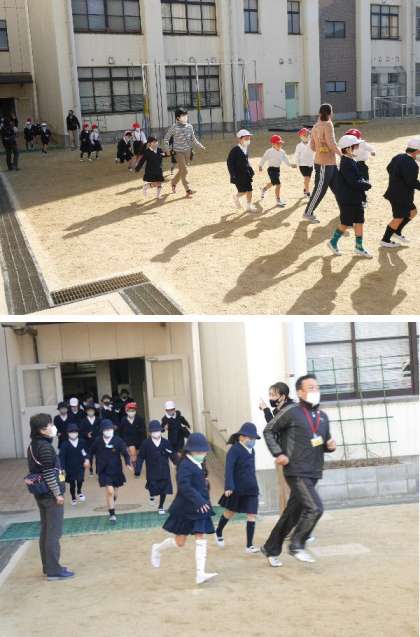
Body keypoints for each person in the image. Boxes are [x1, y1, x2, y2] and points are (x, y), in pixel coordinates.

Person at [260, 374, 336, 567]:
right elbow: (269, 430)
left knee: (292, 514)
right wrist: (278, 452)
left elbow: (322, 442)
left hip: (314, 471)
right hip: (296, 470)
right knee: (315, 508)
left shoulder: (323, 417)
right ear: (300, 392)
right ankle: (297, 545)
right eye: (310, 388)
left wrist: (330, 446)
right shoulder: (291, 412)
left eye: (317, 387)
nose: (315, 391)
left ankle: (270, 548)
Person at [150, 432, 217, 585]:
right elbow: (185, 487)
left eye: (204, 451)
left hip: (200, 508)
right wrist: (199, 501)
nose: (203, 454)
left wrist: (205, 496)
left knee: (200, 535)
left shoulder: (200, 462)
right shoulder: (184, 465)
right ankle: (157, 548)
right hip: (185, 508)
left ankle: (200, 574)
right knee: (180, 542)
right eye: (200, 451)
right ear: (191, 450)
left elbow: (200, 482)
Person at [26, 413, 74, 580]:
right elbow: (48, 473)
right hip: (50, 495)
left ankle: (48, 567)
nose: (52, 427)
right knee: (54, 532)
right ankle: (54, 571)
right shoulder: (45, 447)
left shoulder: (33, 445)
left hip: (40, 493)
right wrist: (57, 494)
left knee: (46, 530)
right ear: (41, 430)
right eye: (49, 425)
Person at [215, 422, 260, 553]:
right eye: (250, 438)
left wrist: (257, 487)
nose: (252, 441)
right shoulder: (234, 450)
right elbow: (229, 469)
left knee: (252, 514)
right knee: (230, 512)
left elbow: (252, 470)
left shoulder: (252, 451)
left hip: (251, 488)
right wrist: (229, 486)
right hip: (237, 488)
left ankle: (249, 546)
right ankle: (218, 531)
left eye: (254, 438)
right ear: (241, 437)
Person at [327, 134, 372, 258]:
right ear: (347, 149)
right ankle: (333, 242)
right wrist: (366, 184)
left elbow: (356, 178)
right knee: (345, 222)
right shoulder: (346, 163)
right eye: (355, 146)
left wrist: (363, 182)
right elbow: (353, 181)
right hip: (347, 199)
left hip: (354, 197)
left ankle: (359, 247)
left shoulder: (351, 160)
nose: (357, 148)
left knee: (359, 221)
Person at [303, 103, 342, 223]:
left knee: (339, 189)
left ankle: (346, 213)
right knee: (320, 190)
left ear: (319, 113)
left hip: (327, 163)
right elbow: (331, 143)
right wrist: (342, 155)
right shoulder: (328, 124)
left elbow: (312, 146)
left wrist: (321, 148)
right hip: (324, 164)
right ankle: (308, 213)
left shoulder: (315, 126)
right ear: (330, 113)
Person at [89, 419, 133, 522]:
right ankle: (112, 513)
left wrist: (127, 463)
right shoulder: (98, 441)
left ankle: (112, 502)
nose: (108, 431)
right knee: (110, 491)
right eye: (106, 430)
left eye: (110, 429)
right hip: (103, 470)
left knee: (115, 493)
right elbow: (90, 452)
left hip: (116, 470)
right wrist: (87, 461)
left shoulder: (118, 440)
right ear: (102, 431)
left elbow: (125, 453)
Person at [380, 137, 420, 248]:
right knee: (399, 217)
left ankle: (397, 232)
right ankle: (385, 240)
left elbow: (388, 168)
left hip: (396, 192)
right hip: (401, 196)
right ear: (416, 151)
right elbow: (412, 182)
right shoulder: (412, 164)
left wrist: (397, 178)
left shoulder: (398, 156)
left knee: (413, 212)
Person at [135, 420, 178, 513]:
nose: (156, 433)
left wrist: (177, 463)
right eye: (154, 431)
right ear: (150, 432)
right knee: (153, 487)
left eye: (157, 431)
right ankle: (151, 495)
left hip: (164, 470)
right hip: (152, 471)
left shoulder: (166, 442)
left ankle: (161, 506)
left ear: (161, 431)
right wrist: (137, 470)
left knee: (164, 489)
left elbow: (172, 454)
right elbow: (140, 457)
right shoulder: (146, 443)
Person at [163, 107, 206, 198]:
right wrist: (167, 150)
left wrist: (200, 146)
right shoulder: (174, 127)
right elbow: (166, 139)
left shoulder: (189, 126)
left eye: (186, 115)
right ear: (178, 118)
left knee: (182, 170)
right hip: (178, 152)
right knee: (185, 170)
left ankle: (173, 182)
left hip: (188, 151)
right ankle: (188, 189)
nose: (185, 117)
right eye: (183, 116)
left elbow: (193, 139)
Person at [259, 134, 296, 207]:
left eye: (280, 143)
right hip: (271, 169)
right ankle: (278, 201)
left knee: (273, 182)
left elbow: (286, 160)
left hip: (277, 170)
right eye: (277, 143)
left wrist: (291, 165)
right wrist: (260, 165)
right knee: (278, 185)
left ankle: (263, 189)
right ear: (273, 144)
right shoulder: (269, 151)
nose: (279, 145)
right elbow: (264, 158)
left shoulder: (282, 152)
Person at [59, 424, 90, 505]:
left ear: (78, 433)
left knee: (80, 480)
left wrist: (87, 459)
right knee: (72, 484)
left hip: (80, 466)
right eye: (71, 432)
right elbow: (62, 457)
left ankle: (79, 491)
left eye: (75, 432)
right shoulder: (65, 444)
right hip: (70, 467)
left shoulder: (82, 442)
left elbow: (85, 452)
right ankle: (73, 497)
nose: (73, 434)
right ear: (68, 433)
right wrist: (62, 469)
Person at [227, 129, 257, 213]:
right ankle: (236, 197)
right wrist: (232, 174)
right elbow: (229, 163)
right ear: (240, 139)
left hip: (246, 173)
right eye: (246, 138)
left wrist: (250, 168)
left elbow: (246, 160)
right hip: (238, 174)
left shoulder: (245, 148)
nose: (248, 140)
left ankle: (248, 206)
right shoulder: (235, 150)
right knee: (243, 191)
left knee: (249, 190)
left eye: (249, 138)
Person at [120, 401, 146, 467]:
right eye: (130, 411)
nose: (131, 412)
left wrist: (143, 443)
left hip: (138, 441)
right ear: (126, 411)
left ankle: (135, 464)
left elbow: (143, 432)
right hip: (129, 441)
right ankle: (134, 466)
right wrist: (123, 443)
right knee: (133, 454)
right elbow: (121, 432)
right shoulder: (123, 420)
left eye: (133, 410)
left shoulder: (140, 419)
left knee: (137, 457)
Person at [80, 403, 101, 476]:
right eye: (89, 411)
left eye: (92, 410)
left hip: (98, 441)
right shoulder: (83, 421)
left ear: (94, 411)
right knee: (90, 457)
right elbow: (81, 431)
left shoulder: (98, 420)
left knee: (99, 457)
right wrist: (86, 434)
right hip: (88, 442)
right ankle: (91, 469)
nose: (90, 412)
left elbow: (102, 429)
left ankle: (98, 470)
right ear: (86, 412)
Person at [295, 128, 315, 198]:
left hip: (310, 164)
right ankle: (308, 192)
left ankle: (305, 189)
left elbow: (315, 150)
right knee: (306, 178)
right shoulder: (299, 146)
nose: (306, 136)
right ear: (300, 136)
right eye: (304, 135)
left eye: (307, 134)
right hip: (302, 165)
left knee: (308, 179)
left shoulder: (312, 143)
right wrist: (297, 164)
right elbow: (297, 155)